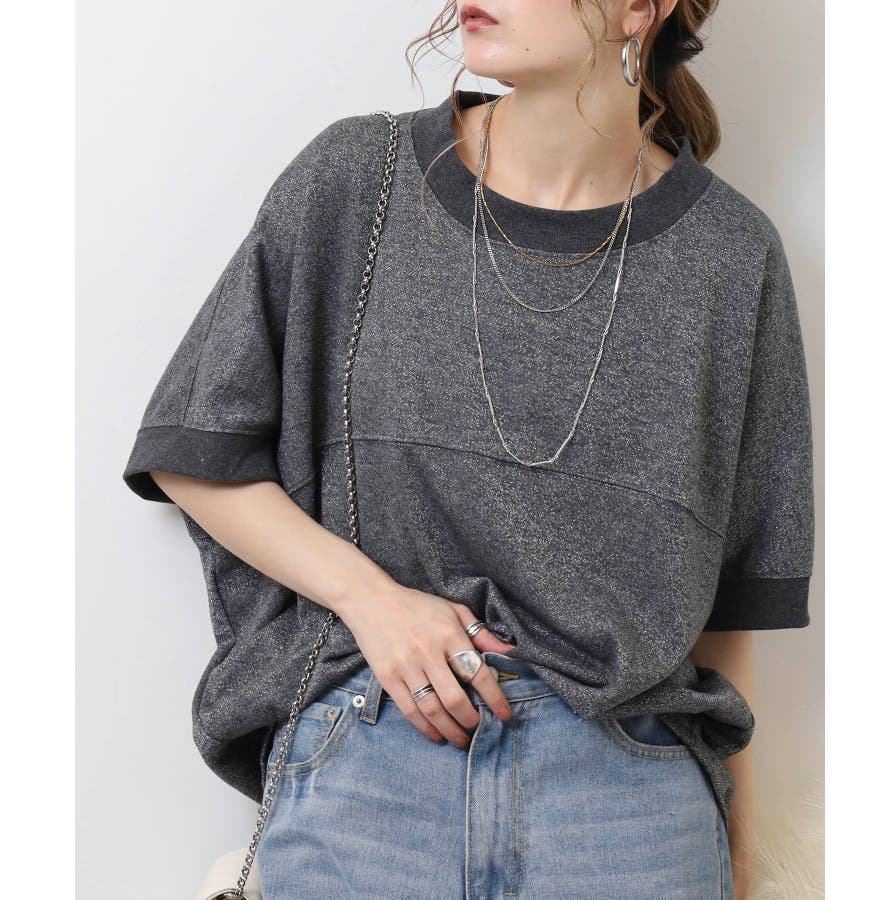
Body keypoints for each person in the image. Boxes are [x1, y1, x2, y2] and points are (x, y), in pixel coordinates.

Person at [122, 2, 814, 898]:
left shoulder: (733, 258)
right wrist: (372, 602)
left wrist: (745, 868)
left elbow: (729, 613)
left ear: (640, 8)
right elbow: (195, 451)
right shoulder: (357, 181)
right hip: (370, 766)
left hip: (627, 805)